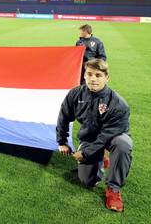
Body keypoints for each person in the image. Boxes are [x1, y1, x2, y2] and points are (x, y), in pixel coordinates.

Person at [56, 59, 132, 212]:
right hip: (90, 137)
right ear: (84, 75)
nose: (93, 79)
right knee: (87, 181)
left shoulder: (119, 104)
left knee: (124, 144)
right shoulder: (75, 94)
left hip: (112, 137)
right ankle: (100, 158)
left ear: (106, 78)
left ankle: (113, 189)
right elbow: (63, 117)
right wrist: (62, 141)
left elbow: (105, 136)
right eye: (89, 74)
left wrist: (85, 153)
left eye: (98, 75)